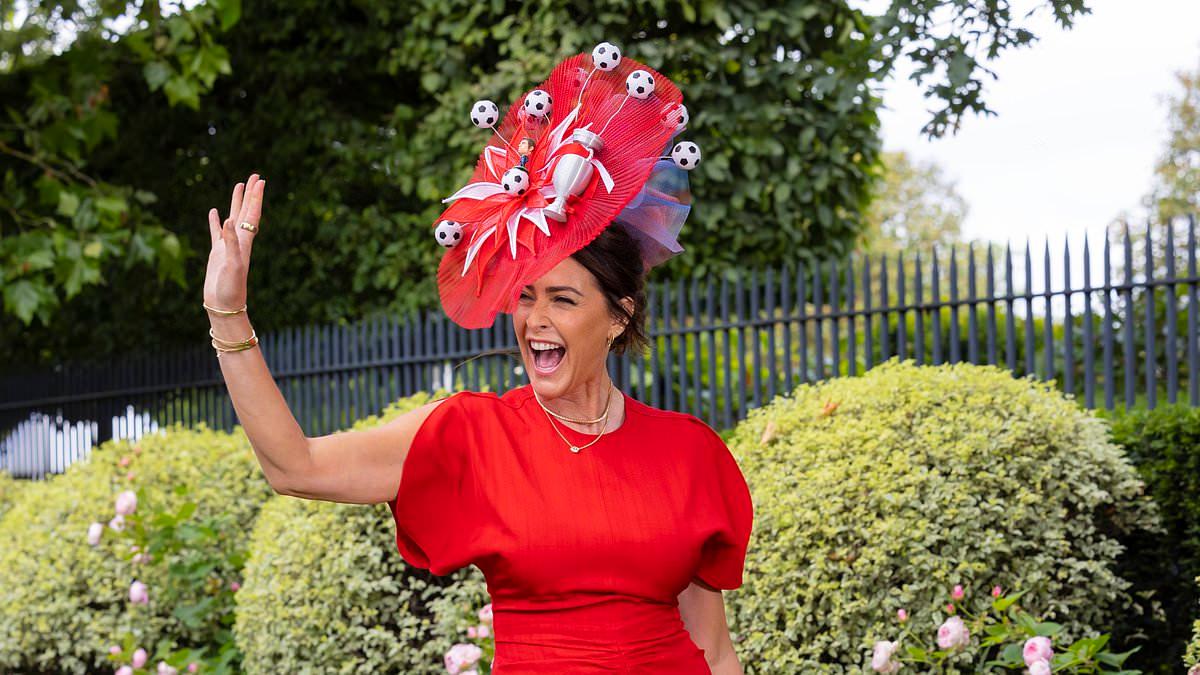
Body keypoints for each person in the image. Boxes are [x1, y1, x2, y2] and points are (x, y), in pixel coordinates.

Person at [202, 46, 751, 674]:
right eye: (525, 296)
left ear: (619, 315)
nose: (534, 320)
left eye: (563, 300)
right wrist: (229, 312)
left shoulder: (690, 453)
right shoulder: (472, 435)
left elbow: (712, 648)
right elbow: (295, 466)